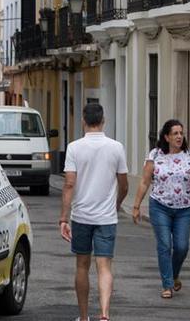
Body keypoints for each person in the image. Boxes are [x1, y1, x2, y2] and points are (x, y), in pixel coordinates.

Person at [59, 103, 129, 321]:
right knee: (104, 265)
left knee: (82, 265)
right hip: (106, 217)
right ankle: (105, 313)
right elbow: (124, 184)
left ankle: (83, 316)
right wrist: (116, 204)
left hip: (81, 216)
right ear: (103, 121)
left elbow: (69, 184)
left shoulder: (74, 148)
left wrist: (63, 217)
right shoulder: (116, 147)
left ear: (83, 121)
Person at [131, 119, 190, 299]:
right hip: (160, 207)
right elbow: (145, 181)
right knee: (164, 245)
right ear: (166, 137)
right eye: (175, 133)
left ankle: (174, 274)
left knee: (182, 247)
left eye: (181, 133)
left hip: (184, 209)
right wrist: (136, 205)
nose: (179, 136)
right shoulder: (155, 155)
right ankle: (167, 284)